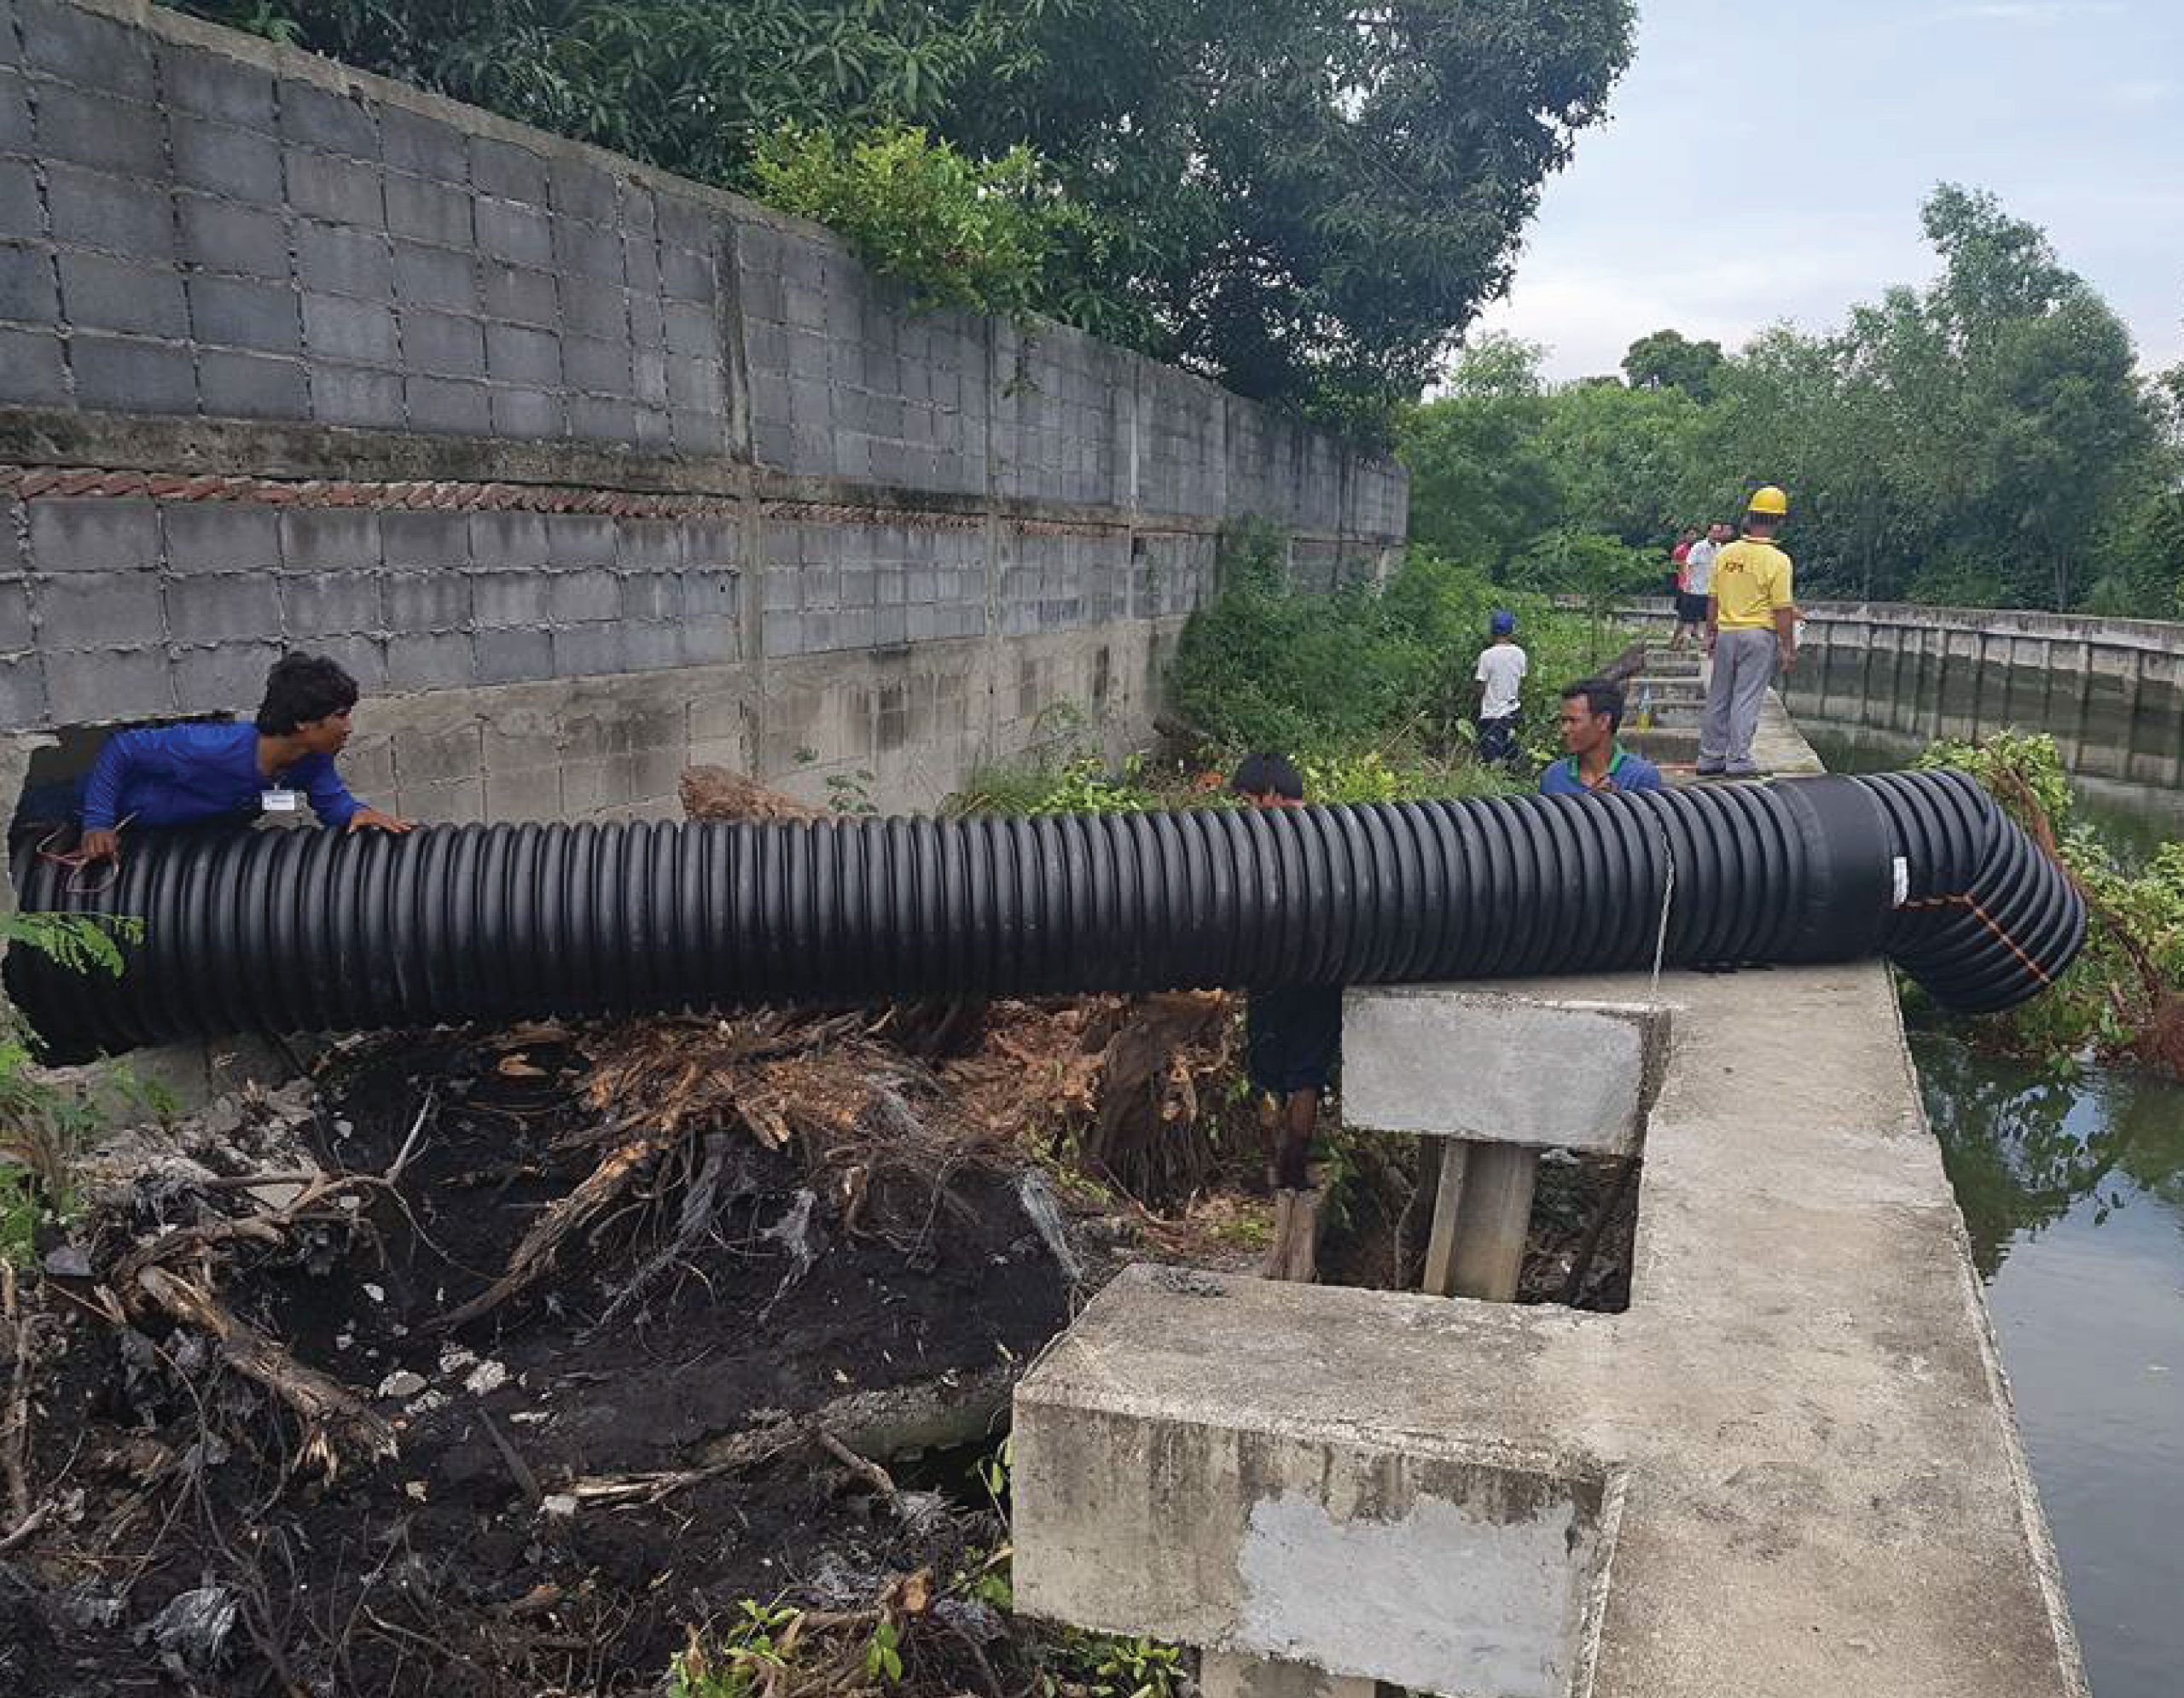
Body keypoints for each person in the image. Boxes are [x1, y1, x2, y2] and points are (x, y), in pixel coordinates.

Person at [67, 653, 410, 864]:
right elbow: (122, 749)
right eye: (342, 715)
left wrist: (359, 814)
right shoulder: (208, 748)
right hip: (95, 818)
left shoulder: (312, 762)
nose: (349, 727)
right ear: (305, 722)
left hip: (177, 844)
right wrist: (97, 823)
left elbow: (333, 805)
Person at [1230, 752, 1342, 1192]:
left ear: (1271, 796)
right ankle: (1293, 1167)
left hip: (1272, 971)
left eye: (1246, 802)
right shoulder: (1337, 835)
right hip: (1324, 971)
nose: (1243, 813)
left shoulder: (1260, 842)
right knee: (1307, 1072)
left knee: (1267, 1071)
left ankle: (1271, 1167)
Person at [1699, 487, 1798, 778]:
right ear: (1779, 521)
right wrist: (1788, 647)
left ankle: (1710, 757)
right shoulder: (1778, 560)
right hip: (1758, 635)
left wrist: (1710, 633)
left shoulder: (1726, 554)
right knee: (1747, 697)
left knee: (1719, 696)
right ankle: (1738, 759)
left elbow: (1713, 599)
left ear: (1750, 515)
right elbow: (1782, 609)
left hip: (1728, 632)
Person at [1539, 679, 1667, 795]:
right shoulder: (1554, 777)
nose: (1565, 729)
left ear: (1604, 721)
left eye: (1573, 721)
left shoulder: (1640, 778)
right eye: (1563, 721)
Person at [1472, 609, 1528, 769]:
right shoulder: (1520, 654)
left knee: (1492, 762)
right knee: (1511, 758)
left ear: (1492, 631)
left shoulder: (1486, 656)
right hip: (1513, 713)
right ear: (1511, 630)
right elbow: (1521, 681)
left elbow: (1480, 686)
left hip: (1491, 715)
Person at [1672, 522, 1727, 650]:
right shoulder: (1698, 547)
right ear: (1708, 532)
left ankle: (1703, 644)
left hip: (1710, 591)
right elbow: (1688, 565)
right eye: (1714, 531)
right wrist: (1688, 582)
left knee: (1707, 620)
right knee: (1689, 620)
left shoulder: (1720, 548)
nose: (1716, 535)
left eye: (1719, 532)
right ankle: (1683, 641)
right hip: (1695, 589)